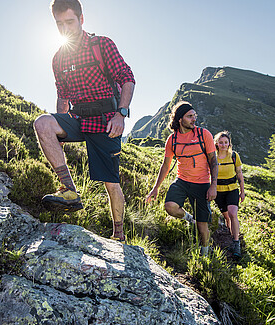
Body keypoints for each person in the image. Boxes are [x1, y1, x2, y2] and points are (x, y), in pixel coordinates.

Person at [33, 0, 135, 241]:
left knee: (111, 182)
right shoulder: (58, 58)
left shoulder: (102, 45)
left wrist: (121, 114)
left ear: (81, 19)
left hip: (106, 120)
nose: (65, 28)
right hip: (77, 118)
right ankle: (69, 190)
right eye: (59, 24)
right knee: (42, 123)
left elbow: (127, 77)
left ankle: (118, 234)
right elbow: (62, 95)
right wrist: (59, 126)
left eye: (70, 22)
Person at [145, 101, 218, 256]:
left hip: (202, 183)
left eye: (194, 116)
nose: (194, 119)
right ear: (180, 119)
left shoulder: (203, 134)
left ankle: (205, 253)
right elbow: (165, 165)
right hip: (182, 181)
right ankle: (188, 218)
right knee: (170, 206)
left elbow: (213, 161)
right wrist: (155, 188)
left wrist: (213, 185)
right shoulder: (172, 140)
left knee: (202, 224)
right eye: (190, 116)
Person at [213, 131, 246, 257]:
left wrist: (242, 191)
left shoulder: (234, 156)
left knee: (233, 213)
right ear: (216, 144)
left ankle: (236, 243)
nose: (223, 145)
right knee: (227, 217)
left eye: (226, 142)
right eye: (221, 142)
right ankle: (230, 234)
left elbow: (239, 174)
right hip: (219, 191)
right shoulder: (213, 157)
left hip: (232, 189)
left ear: (229, 143)